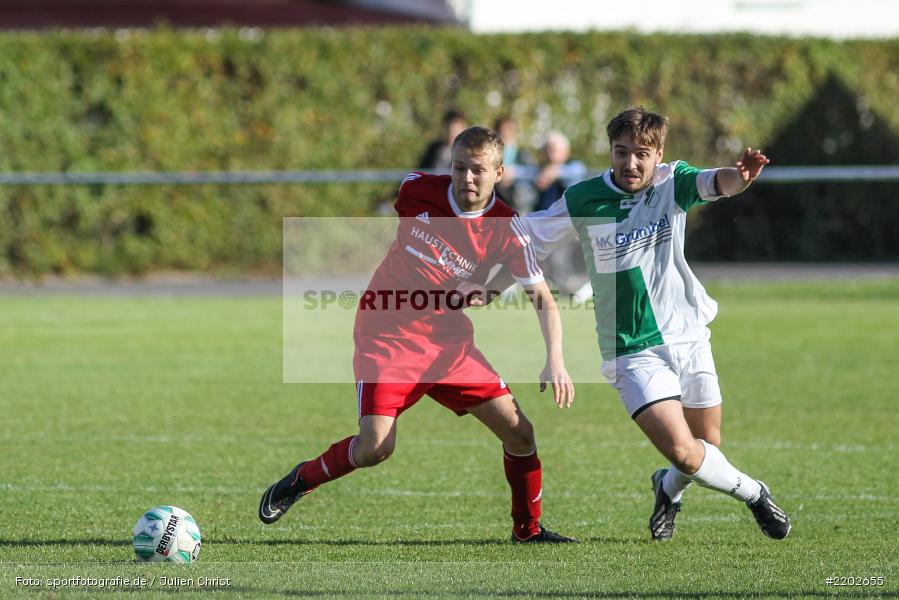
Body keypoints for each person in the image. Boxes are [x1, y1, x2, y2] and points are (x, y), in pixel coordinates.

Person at [475, 107, 792, 542]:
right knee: (686, 451)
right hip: (630, 347)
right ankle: (757, 494)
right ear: (611, 151)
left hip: (689, 333)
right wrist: (482, 285)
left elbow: (717, 182)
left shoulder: (671, 182)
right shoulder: (584, 198)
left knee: (705, 446)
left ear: (658, 154)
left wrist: (743, 177)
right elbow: (525, 242)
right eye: (621, 152)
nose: (631, 163)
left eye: (642, 154)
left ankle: (666, 488)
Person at [261, 126, 577, 543]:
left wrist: (554, 357)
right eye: (459, 168)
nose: (466, 178)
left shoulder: (508, 227)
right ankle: (301, 479)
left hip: (447, 341)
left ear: (500, 172)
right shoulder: (416, 189)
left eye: (478, 171)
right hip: (386, 332)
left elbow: (542, 296)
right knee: (375, 448)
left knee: (520, 433)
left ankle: (528, 530)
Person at [532, 131, 587, 212]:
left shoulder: (574, 166)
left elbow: (579, 171)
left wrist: (555, 172)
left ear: (566, 151)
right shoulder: (540, 170)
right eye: (546, 150)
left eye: (553, 150)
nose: (549, 154)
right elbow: (524, 172)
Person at [493, 116, 537, 213]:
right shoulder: (491, 155)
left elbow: (534, 173)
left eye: (510, 130)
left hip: (520, 204)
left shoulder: (524, 154)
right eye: (503, 131)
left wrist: (515, 172)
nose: (506, 134)